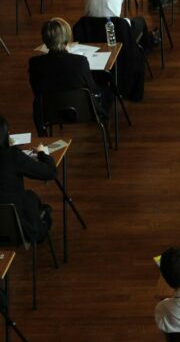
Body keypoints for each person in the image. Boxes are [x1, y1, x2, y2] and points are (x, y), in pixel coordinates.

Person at [28, 18, 112, 136]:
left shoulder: (35, 63)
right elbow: (92, 89)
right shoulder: (80, 61)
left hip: (51, 113)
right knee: (106, 88)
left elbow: (36, 91)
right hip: (84, 112)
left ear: (45, 40)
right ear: (66, 39)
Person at [0, 116, 56, 244]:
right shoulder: (12, 156)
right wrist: (42, 154)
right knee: (32, 198)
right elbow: (50, 172)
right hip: (17, 229)